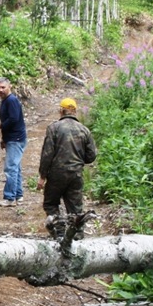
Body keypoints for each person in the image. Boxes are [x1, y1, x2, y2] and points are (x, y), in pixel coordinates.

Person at [37, 98, 97, 240]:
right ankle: (77, 236)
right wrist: (79, 160)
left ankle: (59, 231)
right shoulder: (84, 130)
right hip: (76, 174)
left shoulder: (54, 128)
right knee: (75, 208)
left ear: (61, 111)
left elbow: (47, 154)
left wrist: (42, 176)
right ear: (75, 111)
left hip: (56, 174)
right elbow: (92, 156)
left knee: (51, 203)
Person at [0, 77, 27, 207]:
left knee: (10, 168)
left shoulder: (11, 101)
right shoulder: (5, 101)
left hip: (16, 139)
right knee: (15, 167)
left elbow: (14, 119)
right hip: (12, 138)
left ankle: (10, 197)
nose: (0, 90)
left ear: (9, 87)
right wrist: (4, 139)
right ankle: (18, 195)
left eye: (3, 87)